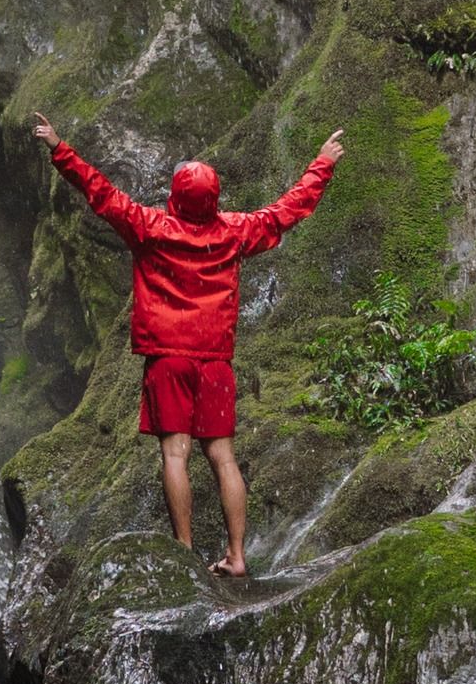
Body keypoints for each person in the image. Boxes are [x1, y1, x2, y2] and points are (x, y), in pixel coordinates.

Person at [31, 116, 345, 578]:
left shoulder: (151, 227)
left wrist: (60, 148)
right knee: (223, 458)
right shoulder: (234, 232)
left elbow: (100, 193)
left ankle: (184, 554)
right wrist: (322, 163)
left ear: (174, 197)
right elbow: (286, 212)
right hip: (215, 364)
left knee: (174, 454)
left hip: (169, 360)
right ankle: (237, 557)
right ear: (216, 199)